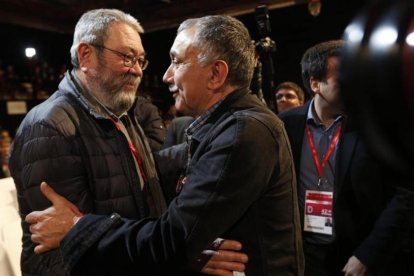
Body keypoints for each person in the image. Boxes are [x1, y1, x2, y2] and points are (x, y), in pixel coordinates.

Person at [25, 15, 304, 275]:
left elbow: (172, 238)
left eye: (176, 61)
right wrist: (190, 248)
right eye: (126, 57)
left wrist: (78, 228)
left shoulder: (243, 132)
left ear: (216, 74)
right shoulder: (51, 124)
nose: (165, 76)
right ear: (86, 55)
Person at [278, 40, 414, 275]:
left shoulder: (376, 124)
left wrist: (368, 255)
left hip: (358, 257)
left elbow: (405, 193)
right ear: (315, 84)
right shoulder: (285, 125)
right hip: (302, 256)